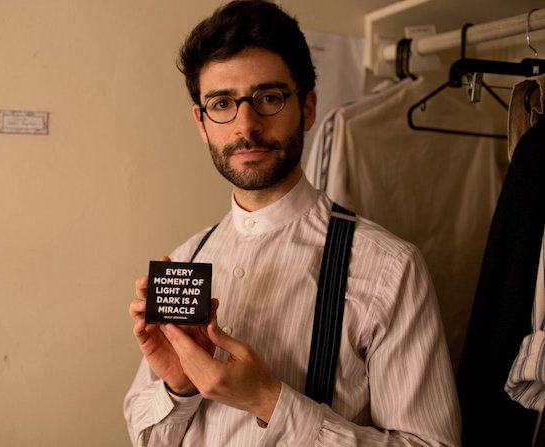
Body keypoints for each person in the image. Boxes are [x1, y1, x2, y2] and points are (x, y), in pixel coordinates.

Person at [124, 1, 461, 445]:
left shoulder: (390, 269)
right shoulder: (187, 259)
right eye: (222, 103)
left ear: (307, 107)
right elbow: (147, 437)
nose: (246, 125)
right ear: (201, 124)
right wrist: (176, 388)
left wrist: (270, 400)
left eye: (268, 97)